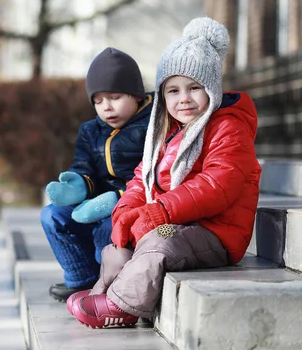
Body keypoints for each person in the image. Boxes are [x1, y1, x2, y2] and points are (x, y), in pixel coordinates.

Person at [67, 17, 262, 328]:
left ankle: (122, 307)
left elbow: (217, 184)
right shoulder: (169, 131)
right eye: (173, 90)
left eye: (194, 88)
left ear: (211, 88)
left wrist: (161, 211)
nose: (183, 98)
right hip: (179, 221)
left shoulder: (228, 127)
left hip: (216, 232)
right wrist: (127, 208)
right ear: (162, 96)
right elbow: (141, 176)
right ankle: (102, 293)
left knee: (159, 243)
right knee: (120, 242)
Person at [41, 47, 154, 302]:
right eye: (98, 101)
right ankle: (81, 279)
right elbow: (84, 164)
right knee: (52, 216)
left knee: (108, 228)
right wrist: (79, 184)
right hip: (93, 202)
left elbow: (154, 173)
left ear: (136, 94)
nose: (107, 108)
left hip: (131, 202)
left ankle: (109, 285)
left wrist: (117, 197)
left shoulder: (153, 124)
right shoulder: (91, 130)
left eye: (114, 97)